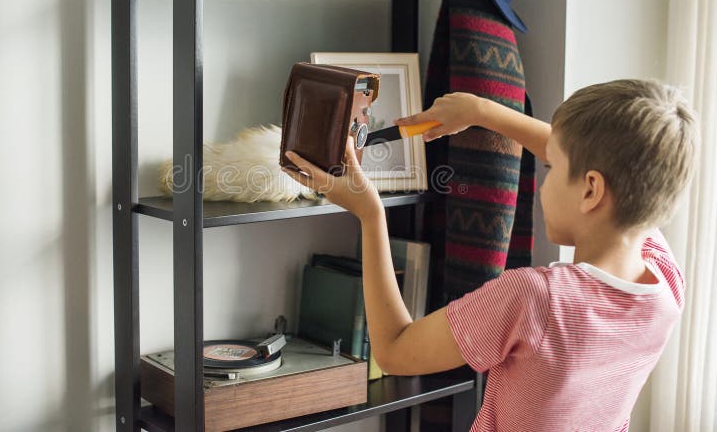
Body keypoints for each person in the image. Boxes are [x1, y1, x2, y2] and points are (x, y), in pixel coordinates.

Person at [282, 79, 699, 431]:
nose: (543, 175)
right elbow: (606, 165)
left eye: (553, 167)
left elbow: (393, 351)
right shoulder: (665, 278)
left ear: (591, 189)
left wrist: (370, 214)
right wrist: (481, 112)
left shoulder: (536, 299)